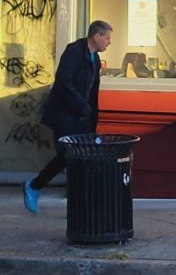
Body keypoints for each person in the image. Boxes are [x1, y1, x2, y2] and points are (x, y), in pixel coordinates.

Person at [23, 20, 113, 214]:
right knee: (67, 155)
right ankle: (34, 186)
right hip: (64, 115)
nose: (109, 42)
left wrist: (92, 117)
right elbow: (63, 82)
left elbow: (93, 91)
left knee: (82, 158)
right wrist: (81, 105)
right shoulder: (74, 51)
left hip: (82, 117)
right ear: (96, 36)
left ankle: (79, 207)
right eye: (107, 38)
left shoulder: (94, 58)